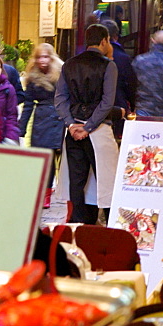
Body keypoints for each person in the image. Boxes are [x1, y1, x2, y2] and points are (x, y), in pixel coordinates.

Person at [54, 23, 119, 224]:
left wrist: (71, 124)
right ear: (104, 41)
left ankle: (77, 226)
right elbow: (107, 102)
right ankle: (111, 226)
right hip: (99, 132)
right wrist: (89, 126)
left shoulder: (69, 65)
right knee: (107, 182)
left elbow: (60, 98)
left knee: (77, 183)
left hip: (73, 132)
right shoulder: (109, 65)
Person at [19, 43, 64, 209]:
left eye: (46, 56)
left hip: (58, 118)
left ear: (51, 57)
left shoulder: (60, 73)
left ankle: (47, 193)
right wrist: (21, 127)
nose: (42, 60)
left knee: (51, 157)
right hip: (41, 118)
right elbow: (28, 103)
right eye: (39, 57)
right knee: (40, 156)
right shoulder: (32, 76)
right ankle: (40, 191)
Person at [101, 19, 136, 137]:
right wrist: (132, 105)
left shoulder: (88, 58)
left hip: (95, 110)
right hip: (118, 106)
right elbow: (131, 84)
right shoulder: (123, 58)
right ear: (115, 36)